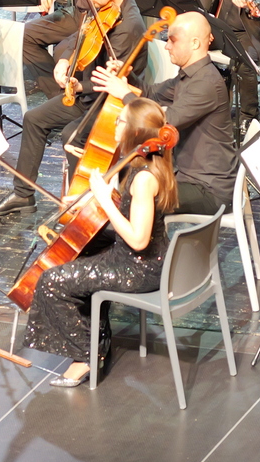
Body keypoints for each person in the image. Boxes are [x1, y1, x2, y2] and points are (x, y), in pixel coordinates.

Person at [22, 97, 178, 388]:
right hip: (139, 259)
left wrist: (104, 200)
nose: (115, 125)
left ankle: (86, 355)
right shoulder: (145, 162)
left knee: (52, 280)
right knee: (82, 255)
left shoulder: (144, 179)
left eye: (121, 121)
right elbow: (130, 211)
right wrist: (92, 201)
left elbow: (138, 239)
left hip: (138, 268)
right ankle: (97, 340)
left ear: (135, 131)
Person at [0, 0, 147, 216]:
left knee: (72, 135)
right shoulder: (103, 5)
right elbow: (80, 35)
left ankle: (82, 206)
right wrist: (65, 60)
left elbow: (113, 82)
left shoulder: (128, 26)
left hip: (111, 103)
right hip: (89, 95)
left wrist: (79, 86)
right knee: (33, 119)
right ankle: (23, 195)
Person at [92, 12, 235, 216]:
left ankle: (135, 235)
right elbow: (151, 94)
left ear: (195, 43)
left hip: (207, 189)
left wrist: (124, 94)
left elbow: (162, 125)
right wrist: (128, 77)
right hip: (185, 177)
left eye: (173, 40)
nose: (167, 46)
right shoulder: (189, 76)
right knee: (127, 177)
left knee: (137, 195)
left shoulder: (206, 83)